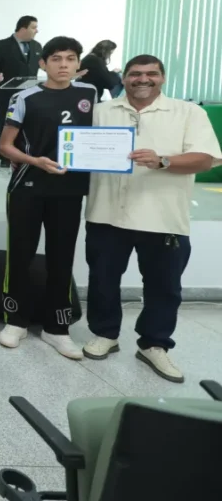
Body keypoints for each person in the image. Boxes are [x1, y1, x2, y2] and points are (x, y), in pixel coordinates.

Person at [82, 55, 221, 383]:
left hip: (163, 218)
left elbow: (206, 159)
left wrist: (163, 161)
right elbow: (78, 150)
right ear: (125, 78)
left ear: (162, 78)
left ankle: (154, 344)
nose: (142, 79)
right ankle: (105, 334)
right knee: (102, 279)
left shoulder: (188, 113)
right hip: (106, 214)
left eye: (151, 74)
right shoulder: (101, 112)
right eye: (135, 74)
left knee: (164, 286)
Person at [0, 36, 96, 360]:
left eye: (70, 58)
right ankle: (16, 321)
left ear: (78, 63)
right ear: (44, 63)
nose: (63, 65)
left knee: (61, 257)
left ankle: (57, 328)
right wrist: (36, 161)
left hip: (69, 190)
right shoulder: (26, 96)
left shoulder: (90, 95)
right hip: (28, 186)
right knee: (20, 255)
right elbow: (6, 146)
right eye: (56, 59)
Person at [0, 16, 42, 168]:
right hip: (7, 95)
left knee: (29, 126)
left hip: (30, 96)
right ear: (23, 28)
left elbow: (42, 66)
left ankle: (25, 156)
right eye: (34, 27)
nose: (37, 31)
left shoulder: (37, 46)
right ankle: (5, 159)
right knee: (7, 126)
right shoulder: (1, 45)